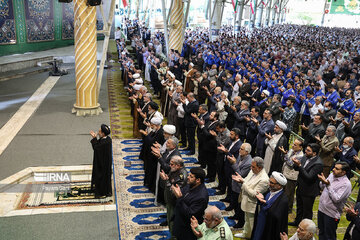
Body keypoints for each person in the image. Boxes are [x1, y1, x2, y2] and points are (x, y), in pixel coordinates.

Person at [232, 157, 269, 239]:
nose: (251, 168)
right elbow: (246, 181)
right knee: (247, 220)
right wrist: (241, 179)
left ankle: (251, 236)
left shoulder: (264, 179)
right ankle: (246, 233)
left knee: (251, 222)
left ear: (260, 168)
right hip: (246, 199)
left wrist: (243, 183)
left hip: (253, 204)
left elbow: (254, 194)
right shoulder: (253, 171)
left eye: (253, 167)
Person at [289, 143, 323, 226]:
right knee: (299, 207)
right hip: (301, 187)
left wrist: (300, 166)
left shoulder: (318, 163)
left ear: (314, 153)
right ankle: (297, 222)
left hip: (309, 191)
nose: (305, 151)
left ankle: (306, 227)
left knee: (307, 211)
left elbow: (309, 177)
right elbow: (297, 168)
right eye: (306, 149)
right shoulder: (305, 156)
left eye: (308, 150)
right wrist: (295, 164)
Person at [317, 162, 352, 240]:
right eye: (334, 167)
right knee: (321, 233)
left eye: (337, 169)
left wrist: (328, 185)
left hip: (331, 214)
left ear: (343, 172)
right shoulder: (332, 175)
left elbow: (337, 199)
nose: (333, 169)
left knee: (329, 236)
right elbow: (322, 187)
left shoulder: (346, 184)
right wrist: (323, 182)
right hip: (322, 209)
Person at [172, 167, 209, 240]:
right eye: (189, 175)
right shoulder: (190, 184)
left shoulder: (201, 197)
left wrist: (179, 198)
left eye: (191, 176)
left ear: (198, 180)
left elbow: (190, 214)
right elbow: (181, 193)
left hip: (187, 230)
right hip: (179, 221)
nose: (188, 177)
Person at [251, 171, 289, 240]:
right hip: (261, 222)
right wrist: (261, 201)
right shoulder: (269, 192)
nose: (269, 184)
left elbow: (276, 216)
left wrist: (265, 203)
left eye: (272, 183)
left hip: (270, 228)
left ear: (279, 185)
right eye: (269, 181)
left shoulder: (283, 200)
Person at [159, 156, 188, 235]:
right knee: (169, 220)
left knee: (173, 223)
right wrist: (165, 179)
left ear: (178, 165)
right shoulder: (174, 170)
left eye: (172, 164)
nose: (170, 166)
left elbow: (174, 192)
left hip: (174, 203)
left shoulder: (182, 176)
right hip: (169, 201)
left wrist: (166, 181)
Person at [281, 139, 304, 213]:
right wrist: (286, 156)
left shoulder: (301, 156)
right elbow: (286, 159)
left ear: (300, 147)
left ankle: (288, 209)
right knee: (283, 192)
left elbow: (291, 164)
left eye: (295, 145)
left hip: (292, 177)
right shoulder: (291, 151)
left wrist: (285, 155)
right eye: (293, 144)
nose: (292, 146)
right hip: (285, 173)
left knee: (289, 194)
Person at [90, 124, 112, 198]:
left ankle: (101, 192)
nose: (98, 132)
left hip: (102, 164)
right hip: (105, 162)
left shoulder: (104, 142)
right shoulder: (108, 139)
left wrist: (94, 138)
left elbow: (96, 148)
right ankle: (106, 190)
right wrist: (95, 138)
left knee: (101, 177)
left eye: (99, 131)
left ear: (103, 133)